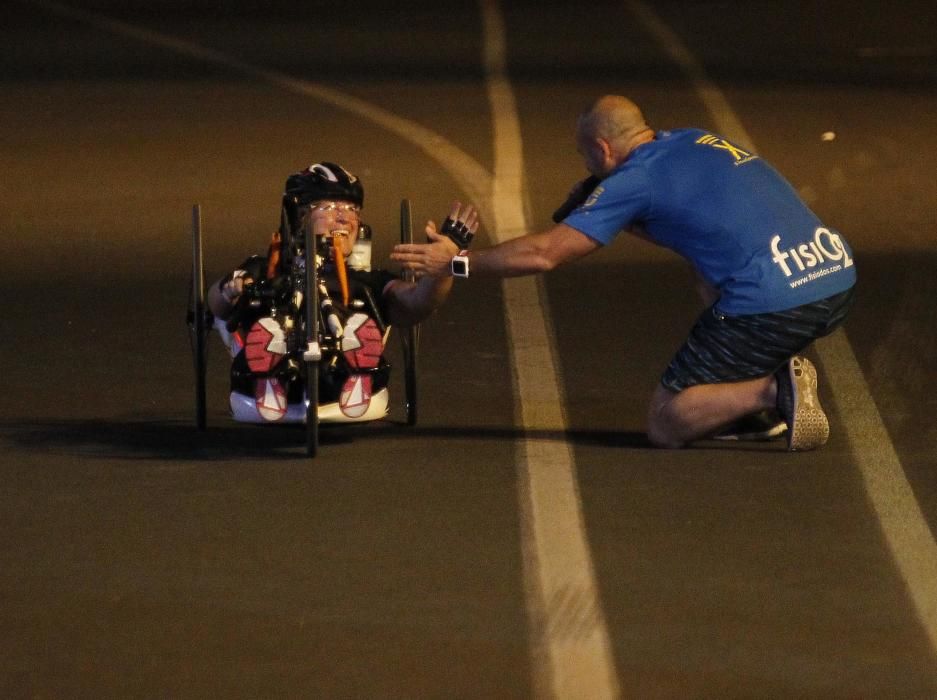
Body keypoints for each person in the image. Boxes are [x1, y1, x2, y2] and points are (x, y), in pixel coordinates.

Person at [391, 95, 856, 451]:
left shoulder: (634, 181)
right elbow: (695, 229)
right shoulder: (692, 138)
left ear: (601, 148)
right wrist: (626, 221)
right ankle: (746, 405)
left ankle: (773, 391)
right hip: (833, 277)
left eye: (584, 155)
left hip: (776, 302)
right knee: (708, 277)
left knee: (666, 422)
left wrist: (453, 262)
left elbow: (545, 254)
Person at [208, 161, 477, 423]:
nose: (344, 217)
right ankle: (270, 370)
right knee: (262, 303)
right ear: (299, 216)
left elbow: (418, 302)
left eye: (352, 209)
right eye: (328, 207)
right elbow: (216, 305)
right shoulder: (264, 268)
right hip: (267, 373)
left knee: (361, 310)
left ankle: (355, 364)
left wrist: (442, 267)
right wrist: (230, 290)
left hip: (337, 375)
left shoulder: (366, 281)